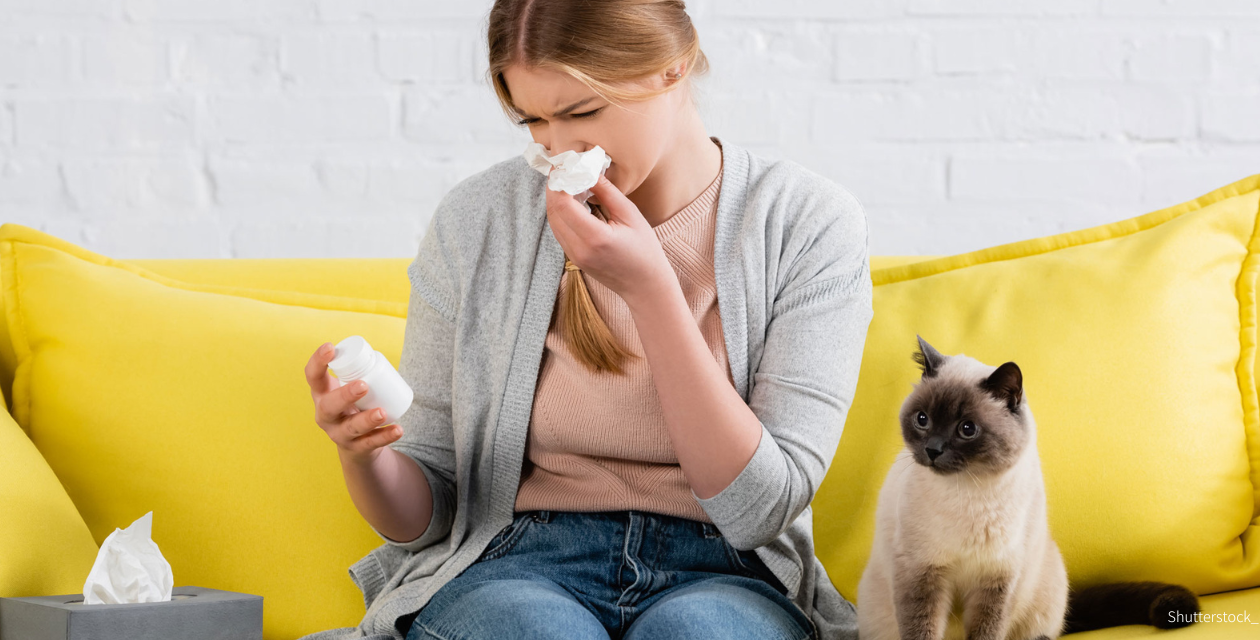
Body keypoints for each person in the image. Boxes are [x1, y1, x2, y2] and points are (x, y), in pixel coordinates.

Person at [299, 1, 872, 638]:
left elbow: (761, 510)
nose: (558, 148)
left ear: (671, 69)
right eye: (535, 121)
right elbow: (430, 516)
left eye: (583, 113)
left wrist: (651, 290)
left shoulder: (808, 224)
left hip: (730, 568)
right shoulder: (478, 220)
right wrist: (365, 457)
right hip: (517, 561)